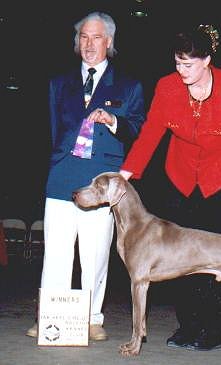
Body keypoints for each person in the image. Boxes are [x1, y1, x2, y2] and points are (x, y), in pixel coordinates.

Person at [119, 25, 221, 351]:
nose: (181, 71)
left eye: (188, 64)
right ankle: (187, 326)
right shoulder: (167, 88)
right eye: (177, 63)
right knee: (179, 260)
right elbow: (149, 136)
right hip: (180, 180)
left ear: (207, 60)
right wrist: (124, 175)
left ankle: (212, 330)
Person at [26, 11, 145, 340]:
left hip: (101, 184)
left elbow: (138, 130)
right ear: (77, 43)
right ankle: (50, 313)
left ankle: (92, 318)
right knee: (56, 253)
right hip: (62, 178)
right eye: (83, 37)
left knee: (94, 254)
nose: (89, 44)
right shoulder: (58, 83)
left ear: (109, 41)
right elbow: (52, 130)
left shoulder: (129, 85)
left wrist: (114, 122)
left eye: (96, 37)